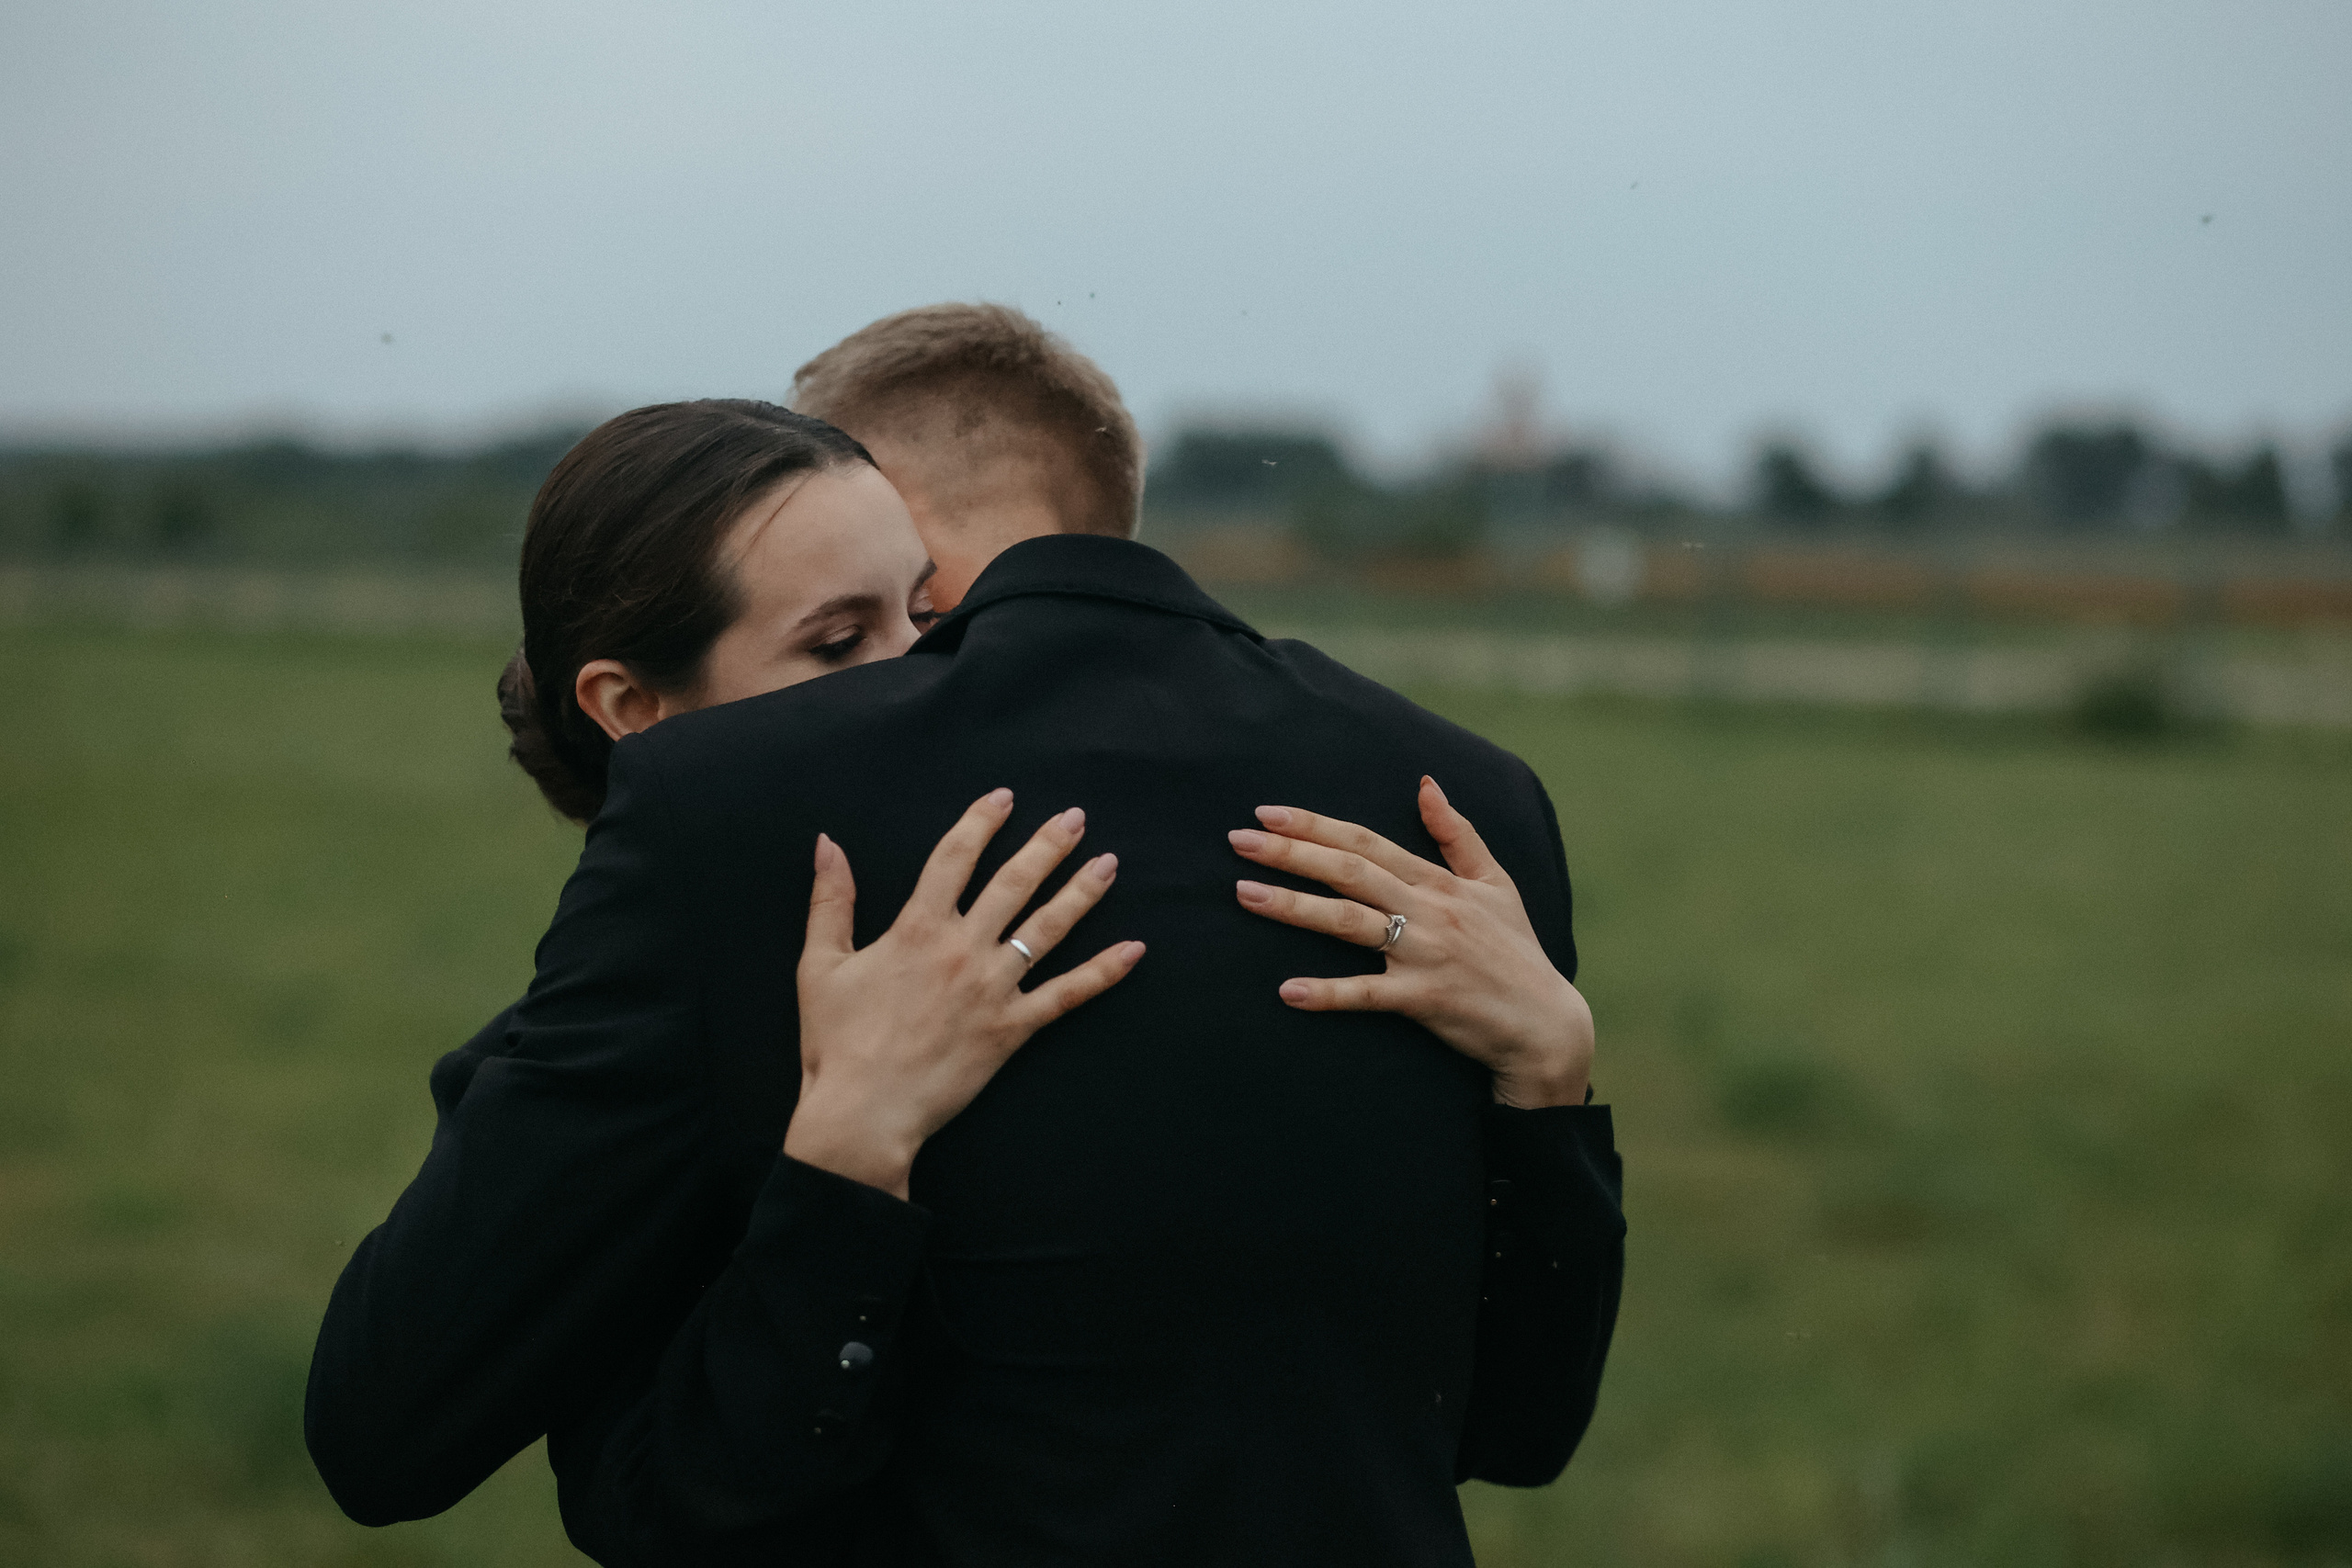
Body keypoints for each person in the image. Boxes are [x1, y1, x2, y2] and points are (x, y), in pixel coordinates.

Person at [307, 312, 1622, 1566]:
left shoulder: (734, 821)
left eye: (925, 626)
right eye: (842, 637)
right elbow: (1503, 1432)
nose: (912, 687)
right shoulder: (1470, 802)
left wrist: (1552, 1078)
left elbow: (513, 1459)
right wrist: (847, 1145)